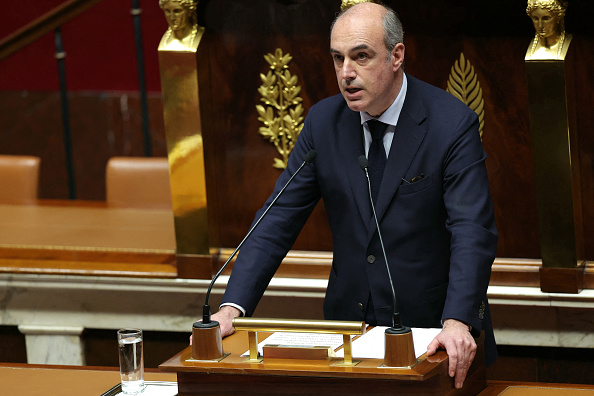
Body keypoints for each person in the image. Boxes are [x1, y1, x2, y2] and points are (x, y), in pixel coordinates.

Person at [209, 2, 498, 389]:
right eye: (338, 58)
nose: (346, 73)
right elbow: (277, 218)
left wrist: (457, 320)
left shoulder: (451, 124)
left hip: (435, 336)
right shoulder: (323, 123)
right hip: (348, 336)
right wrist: (232, 307)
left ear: (397, 56)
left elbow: (472, 230)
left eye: (361, 57)